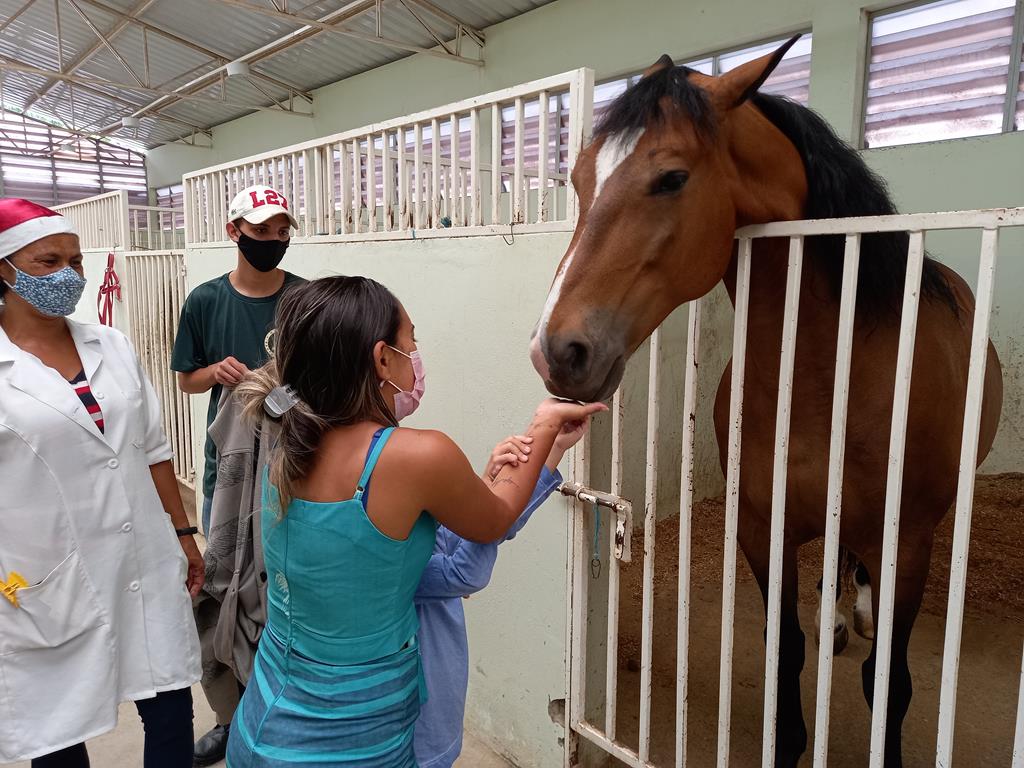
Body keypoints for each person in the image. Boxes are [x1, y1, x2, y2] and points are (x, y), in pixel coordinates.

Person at [225, 275, 604, 767]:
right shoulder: (416, 456)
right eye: (411, 345)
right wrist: (543, 426)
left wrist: (499, 474)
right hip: (356, 745)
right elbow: (489, 525)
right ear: (382, 359)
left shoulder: (284, 440)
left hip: (261, 729)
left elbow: (379, 552)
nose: (416, 360)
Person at [0, 197, 203, 767]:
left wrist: (184, 535)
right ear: (3, 269)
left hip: (144, 556)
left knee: (170, 714)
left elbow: (154, 450)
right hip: (45, 577)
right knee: (60, 731)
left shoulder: (110, 344)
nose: (69, 275)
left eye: (76, 260)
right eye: (47, 262)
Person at [170, 184, 304, 766]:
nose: (273, 240)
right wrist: (213, 373)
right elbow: (185, 380)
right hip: (225, 470)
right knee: (223, 586)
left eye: (281, 231)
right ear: (235, 233)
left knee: (280, 588)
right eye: (262, 230)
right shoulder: (204, 300)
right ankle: (231, 715)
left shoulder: (306, 299)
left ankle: (280, 710)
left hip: (294, 464)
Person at [414, 427, 582, 767]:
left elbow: (455, 538)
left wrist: (499, 485)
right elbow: (462, 569)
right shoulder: (378, 494)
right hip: (416, 724)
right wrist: (492, 499)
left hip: (432, 712)